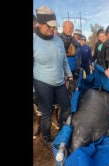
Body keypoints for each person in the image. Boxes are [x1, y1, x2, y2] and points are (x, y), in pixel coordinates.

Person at [33, 5, 73, 146]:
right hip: (42, 83)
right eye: (49, 26)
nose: (52, 29)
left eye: (53, 26)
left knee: (67, 107)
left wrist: (69, 76)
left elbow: (64, 61)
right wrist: (34, 91)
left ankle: (63, 132)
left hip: (59, 81)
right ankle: (47, 139)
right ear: (40, 23)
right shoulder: (34, 40)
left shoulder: (58, 40)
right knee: (47, 113)